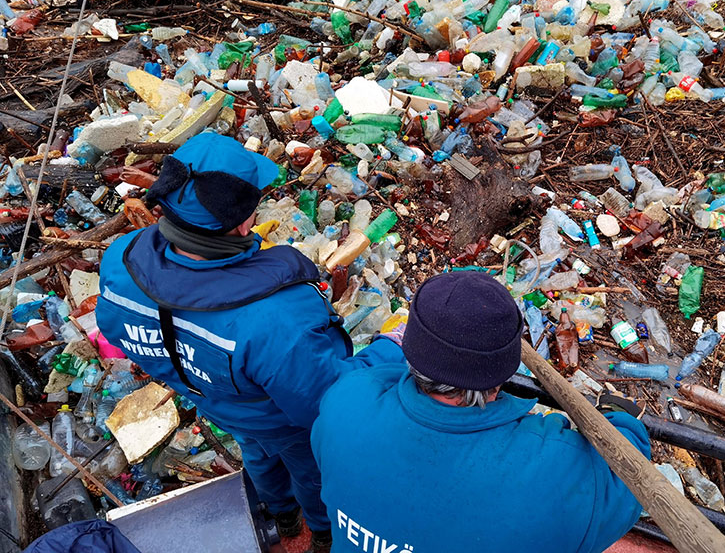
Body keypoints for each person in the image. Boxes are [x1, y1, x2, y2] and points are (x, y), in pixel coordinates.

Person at [96, 133, 402, 552]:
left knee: (256, 454)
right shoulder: (275, 315)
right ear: (242, 223)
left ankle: (280, 513)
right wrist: (392, 348)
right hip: (282, 420)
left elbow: (114, 331)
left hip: (216, 400)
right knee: (311, 471)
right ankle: (321, 531)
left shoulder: (121, 260)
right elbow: (329, 402)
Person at [311, 271, 651, 553]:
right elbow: (626, 481)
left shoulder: (345, 403)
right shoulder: (552, 470)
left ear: (410, 348)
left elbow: (377, 379)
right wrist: (621, 418)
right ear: (503, 372)